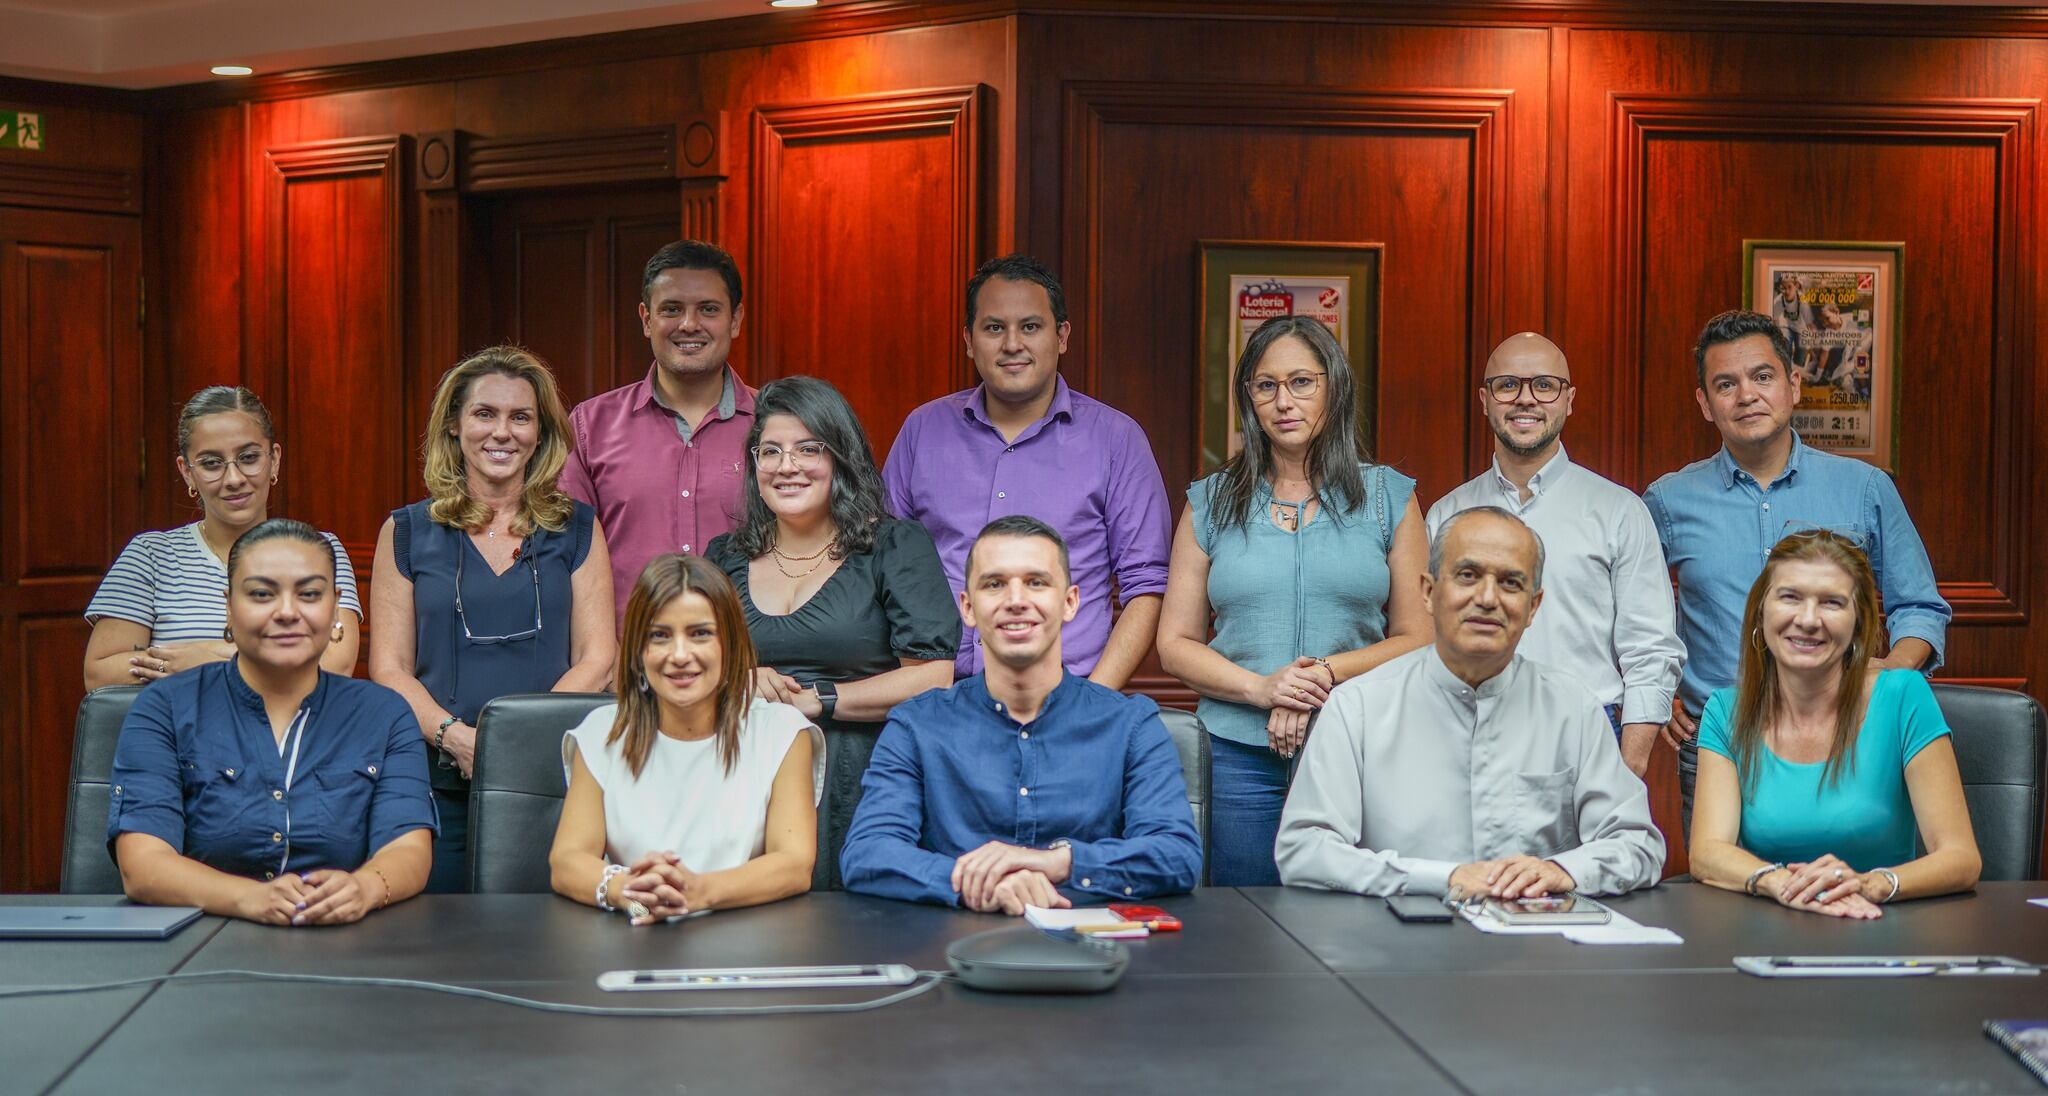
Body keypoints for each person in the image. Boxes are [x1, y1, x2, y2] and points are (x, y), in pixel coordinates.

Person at [1644, 310, 1949, 823]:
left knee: (1846, 888)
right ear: (1704, 403)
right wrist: (1661, 689)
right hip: (1719, 745)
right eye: (1725, 384)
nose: (1746, 395)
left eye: (1762, 377)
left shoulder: (1865, 488)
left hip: (1847, 742)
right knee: (1723, 895)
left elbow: (1919, 606)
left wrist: (1890, 674)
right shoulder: (1667, 502)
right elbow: (1634, 618)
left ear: (1794, 384)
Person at [1157, 315, 1431, 886]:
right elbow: (1174, 646)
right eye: (1265, 385)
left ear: (1334, 386)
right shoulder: (1208, 502)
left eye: (1302, 382)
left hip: (1357, 746)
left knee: (1351, 925)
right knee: (1239, 926)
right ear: (1248, 399)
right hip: (1234, 756)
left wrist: (1317, 679)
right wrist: (1263, 689)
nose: (1284, 400)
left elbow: (1419, 636)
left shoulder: (1389, 497)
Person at [1276, 507, 1665, 899]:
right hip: (1398, 945)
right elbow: (1304, 850)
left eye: (1511, 583)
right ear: (1428, 592)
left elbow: (1638, 845)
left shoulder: (1573, 709)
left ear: (1533, 607)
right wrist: (1440, 878)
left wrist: (1563, 870)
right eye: (1468, 576)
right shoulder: (1358, 707)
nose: (1488, 598)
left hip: (1535, 948)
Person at [840, 516, 1201, 913]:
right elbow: (868, 854)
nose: (1015, 599)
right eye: (994, 584)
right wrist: (976, 884)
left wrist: (1056, 862)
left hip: (1096, 950)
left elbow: (1176, 855)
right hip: (952, 950)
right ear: (968, 607)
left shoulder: (1130, 724)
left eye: (1036, 582)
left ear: (1070, 602)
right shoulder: (917, 726)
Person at [371, 346, 616, 893]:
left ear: (540, 433)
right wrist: (456, 739)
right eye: (485, 414)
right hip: (433, 777)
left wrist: (517, 744)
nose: (502, 432)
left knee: (547, 943)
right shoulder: (406, 531)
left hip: (551, 776)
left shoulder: (578, 528)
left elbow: (598, 658)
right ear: (455, 426)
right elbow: (388, 669)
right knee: (438, 938)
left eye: (520, 417)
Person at [107, 519, 435, 925]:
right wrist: (251, 899)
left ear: (335, 605)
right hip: (200, 947)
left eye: (309, 594)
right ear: (229, 605)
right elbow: (142, 865)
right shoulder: (164, 707)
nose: (286, 612)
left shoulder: (384, 714)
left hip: (346, 942)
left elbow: (408, 849)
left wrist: (365, 887)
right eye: (262, 594)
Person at [707, 376, 957, 890]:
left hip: (862, 773)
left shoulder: (893, 547)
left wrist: (821, 698)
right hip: (745, 774)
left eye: (808, 449)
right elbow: (689, 667)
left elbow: (934, 677)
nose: (787, 465)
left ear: (840, 457)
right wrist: (738, 680)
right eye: (770, 451)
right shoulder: (724, 557)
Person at [884, 254, 1171, 688]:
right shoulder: (923, 431)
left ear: (1062, 336)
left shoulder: (1116, 440)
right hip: (938, 700)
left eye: (1031, 327)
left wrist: (1091, 701)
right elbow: (883, 566)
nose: (1012, 343)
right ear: (968, 339)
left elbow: (1145, 586)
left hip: (1068, 696)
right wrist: (918, 695)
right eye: (994, 327)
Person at [1426, 333, 1683, 777]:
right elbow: (1425, 642)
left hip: (1588, 732)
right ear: (1485, 400)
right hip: (1463, 730)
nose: (1526, 399)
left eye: (1544, 385)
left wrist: (1630, 764)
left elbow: (1651, 650)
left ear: (1569, 399)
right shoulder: (1447, 513)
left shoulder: (1619, 511)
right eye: (1508, 385)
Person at [1690, 531, 1980, 917]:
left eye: (1832, 603)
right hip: (1769, 934)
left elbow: (1961, 858)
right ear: (1761, 612)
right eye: (1790, 597)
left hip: (1881, 928)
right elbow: (1707, 852)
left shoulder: (1902, 696)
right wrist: (1782, 883)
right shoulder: (1726, 711)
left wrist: (1869, 883)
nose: (1808, 620)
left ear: (1858, 624)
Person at [549, 554, 823, 922]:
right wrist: (629, 889)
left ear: (730, 644)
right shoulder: (601, 732)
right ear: (638, 651)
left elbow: (793, 864)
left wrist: (695, 893)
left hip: (748, 946)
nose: (679, 655)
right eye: (659, 636)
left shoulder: (782, 732)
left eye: (700, 634)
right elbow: (567, 861)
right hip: (632, 944)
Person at [85, 386, 362, 689]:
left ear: (275, 459)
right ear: (187, 472)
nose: (233, 479)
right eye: (211, 463)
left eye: (248, 457)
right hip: (179, 735)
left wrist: (208, 660)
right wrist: (266, 665)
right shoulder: (151, 556)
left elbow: (336, 665)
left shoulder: (320, 551)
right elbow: (100, 672)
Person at [562, 240, 756, 624]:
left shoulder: (775, 427)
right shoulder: (590, 427)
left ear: (735, 320)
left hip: (751, 668)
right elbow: (564, 556)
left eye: (708, 309)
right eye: (671, 309)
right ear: (646, 318)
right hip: (623, 671)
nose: (688, 324)